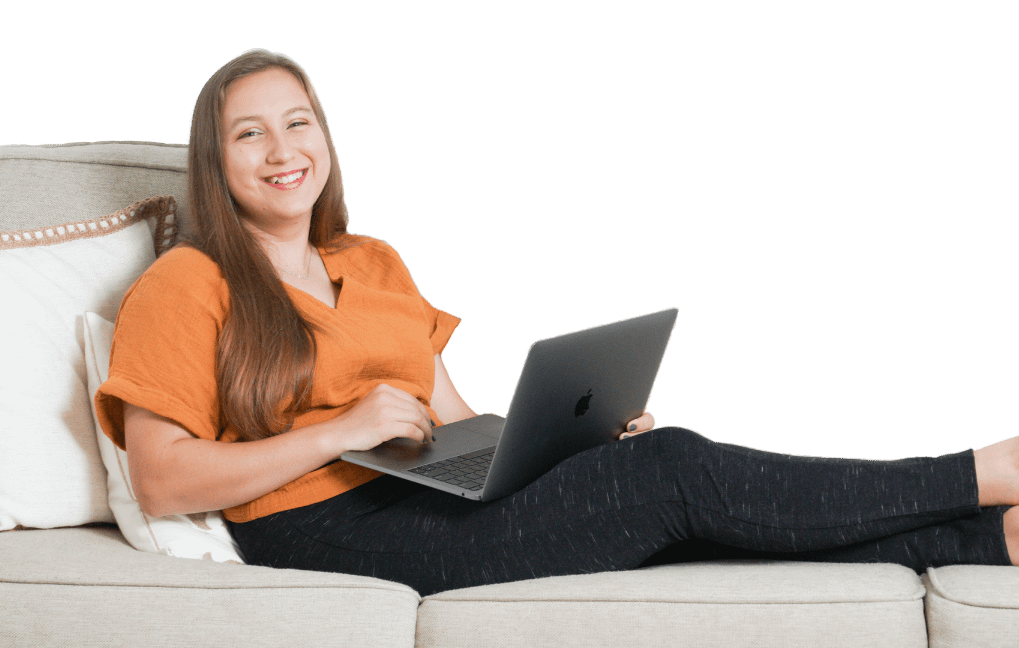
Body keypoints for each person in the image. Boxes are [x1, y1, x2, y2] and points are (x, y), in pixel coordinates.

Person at [95, 48, 1019, 597]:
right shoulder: (187, 283)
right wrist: (342, 429)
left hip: (425, 494)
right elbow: (163, 479)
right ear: (215, 162)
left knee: (656, 486)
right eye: (249, 133)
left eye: (298, 124)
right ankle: (980, 472)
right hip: (324, 531)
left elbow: (452, 421)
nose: (282, 150)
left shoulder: (369, 261)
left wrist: (572, 454)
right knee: (673, 471)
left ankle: (989, 541)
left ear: (327, 142)